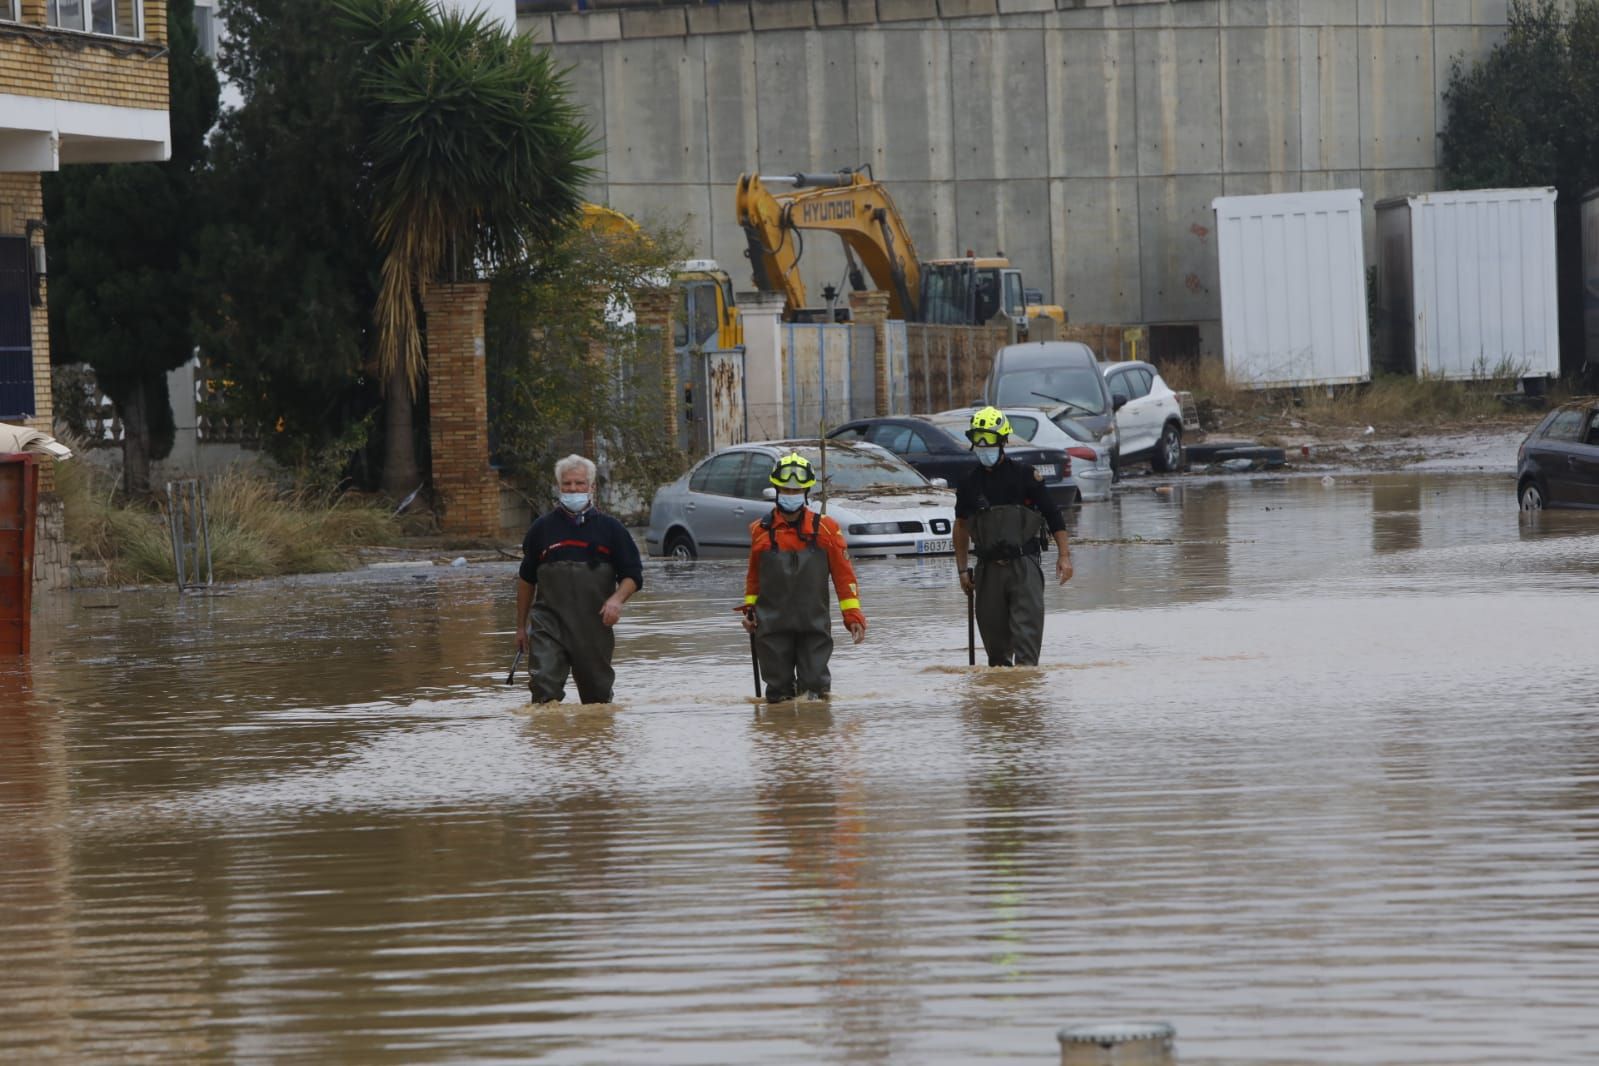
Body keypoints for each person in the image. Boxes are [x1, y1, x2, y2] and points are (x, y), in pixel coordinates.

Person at [515, 454, 643, 704]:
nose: (573, 489)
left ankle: (594, 740)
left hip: (594, 627)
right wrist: (521, 627)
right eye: (567, 484)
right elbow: (526, 580)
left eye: (579, 483)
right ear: (558, 487)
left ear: (592, 487)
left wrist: (617, 600)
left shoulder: (611, 529)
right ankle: (549, 741)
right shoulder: (541, 529)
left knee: (597, 702)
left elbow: (633, 576)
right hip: (548, 625)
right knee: (543, 692)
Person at [739, 452, 866, 702]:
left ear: (807, 492)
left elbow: (844, 577)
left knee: (815, 694)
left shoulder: (826, 529)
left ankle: (813, 738)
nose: (791, 495)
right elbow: (754, 577)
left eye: (796, 491)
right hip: (772, 626)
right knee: (778, 697)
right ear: (776, 489)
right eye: (786, 490)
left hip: (813, 626)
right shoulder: (760, 531)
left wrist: (853, 616)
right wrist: (749, 610)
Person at [952, 407, 1073, 667]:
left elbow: (1053, 515)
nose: (983, 445)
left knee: (1027, 654)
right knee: (996, 657)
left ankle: (1025, 702)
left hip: (1023, 568)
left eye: (990, 439)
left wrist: (1064, 556)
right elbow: (961, 527)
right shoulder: (969, 483)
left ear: (1003, 440)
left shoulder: (1025, 476)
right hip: (987, 572)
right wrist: (962, 570)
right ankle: (1001, 704)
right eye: (978, 438)